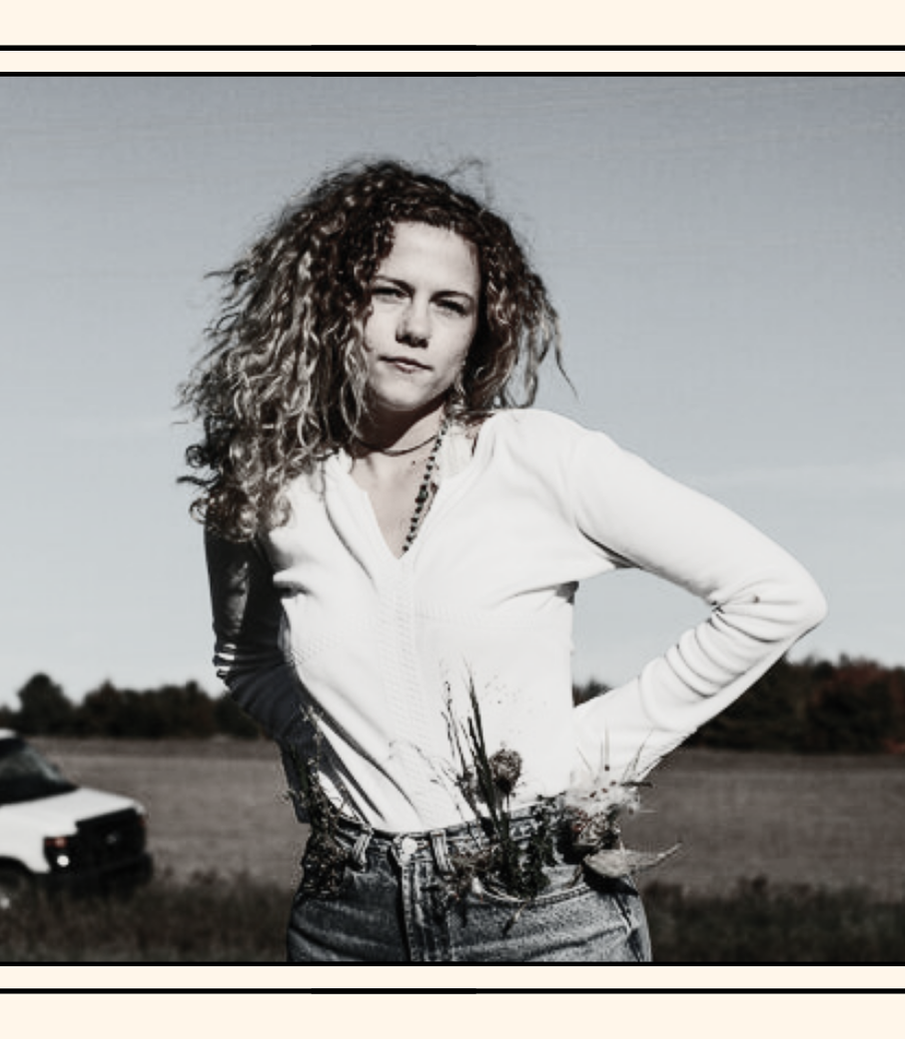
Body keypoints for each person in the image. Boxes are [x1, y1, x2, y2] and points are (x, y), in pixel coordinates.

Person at [181, 159, 826, 962]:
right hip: (345, 916)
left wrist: (584, 751)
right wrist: (335, 755)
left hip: (538, 911)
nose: (415, 327)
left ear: (476, 332)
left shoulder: (538, 461)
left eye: (449, 305)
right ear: (329, 302)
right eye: (388, 291)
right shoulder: (271, 482)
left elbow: (773, 595)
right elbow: (244, 657)